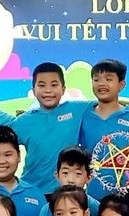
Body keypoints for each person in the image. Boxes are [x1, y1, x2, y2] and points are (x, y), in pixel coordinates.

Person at [12, 62, 93, 193]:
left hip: (67, 191)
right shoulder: (23, 121)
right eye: (42, 85)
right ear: (34, 90)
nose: (48, 90)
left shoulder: (77, 109)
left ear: (63, 89)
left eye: (54, 85)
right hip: (32, 191)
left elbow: (107, 104)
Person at [79, 59, 129, 199]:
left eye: (108, 79)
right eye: (96, 79)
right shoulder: (83, 115)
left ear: (121, 85)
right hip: (94, 196)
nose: (102, 84)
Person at [33, 145, 100, 216]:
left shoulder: (96, 208)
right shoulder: (47, 211)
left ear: (88, 178)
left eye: (78, 174)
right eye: (65, 173)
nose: (70, 180)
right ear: (57, 175)